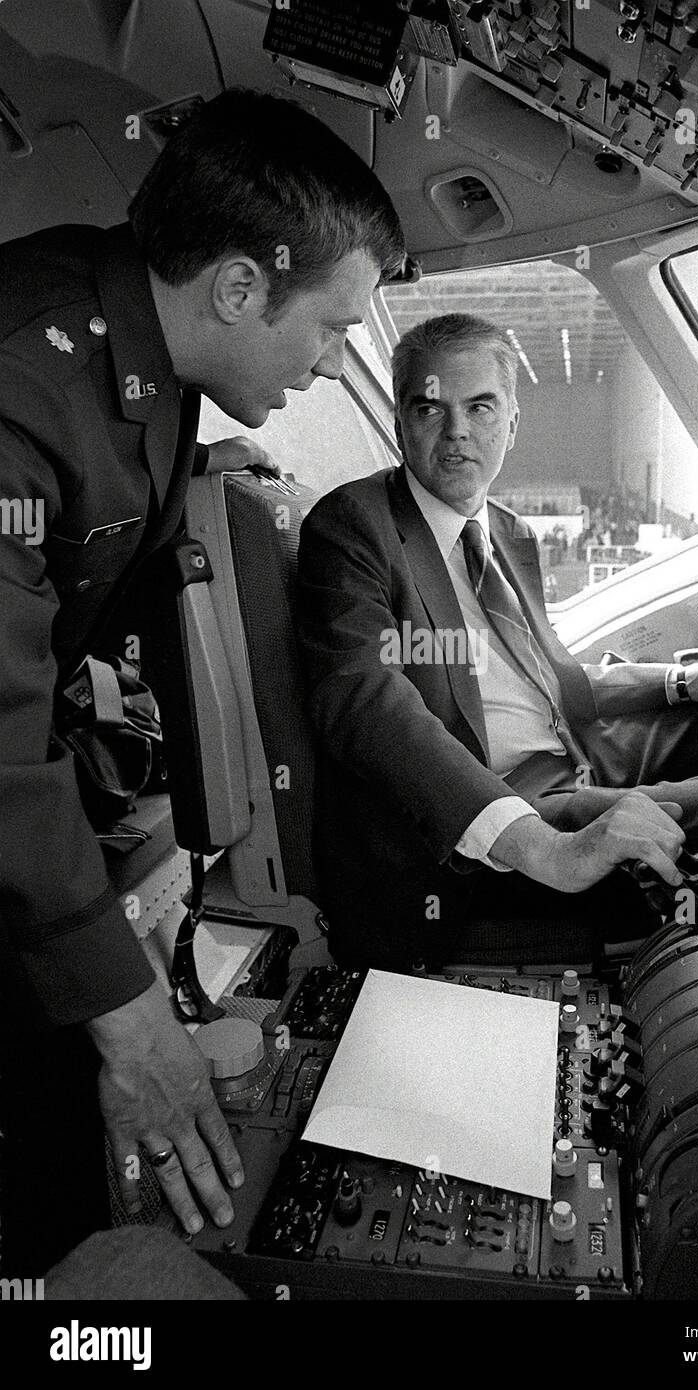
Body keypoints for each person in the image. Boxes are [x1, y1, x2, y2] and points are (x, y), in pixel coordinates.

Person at [0, 87, 405, 1272]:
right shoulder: (21, 385)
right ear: (238, 288)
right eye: (330, 329)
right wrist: (128, 1019)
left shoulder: (161, 368)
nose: (335, 368)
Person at [297, 313, 698, 969]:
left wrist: (685, 682)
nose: (456, 432)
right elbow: (363, 698)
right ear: (400, 422)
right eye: (429, 408)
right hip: (492, 809)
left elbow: (558, 679)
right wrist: (540, 845)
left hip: (571, 753)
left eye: (480, 407)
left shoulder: (507, 531)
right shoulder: (353, 526)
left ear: (511, 423)